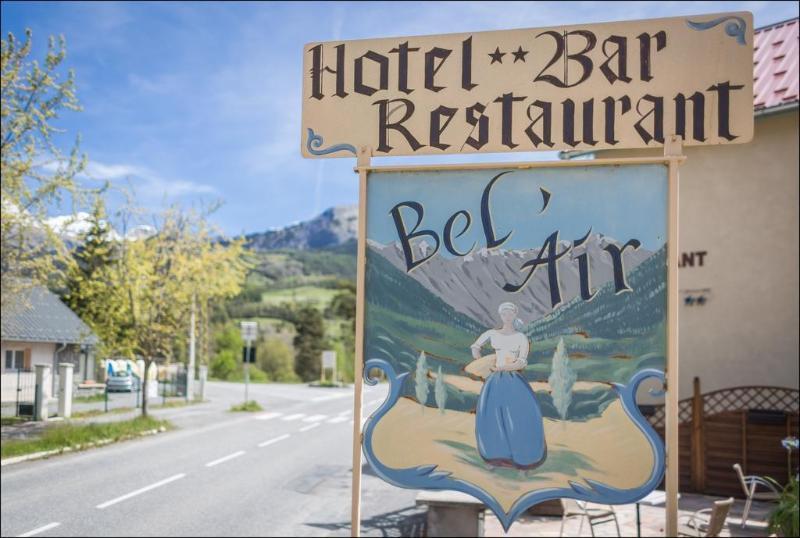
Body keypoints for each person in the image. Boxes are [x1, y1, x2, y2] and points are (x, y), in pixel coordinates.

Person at [470, 302, 546, 469]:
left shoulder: (521, 338)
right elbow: (475, 347)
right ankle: (495, 454)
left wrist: (504, 367)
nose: (507, 316)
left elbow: (521, 361)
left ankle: (524, 455)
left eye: (510, 313)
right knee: (492, 413)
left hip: (513, 378)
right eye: (504, 313)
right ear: (501, 315)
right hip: (494, 379)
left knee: (519, 414)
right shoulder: (492, 333)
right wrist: (483, 363)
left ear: (514, 315)